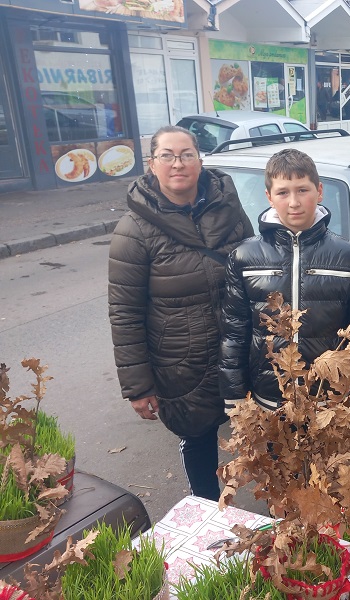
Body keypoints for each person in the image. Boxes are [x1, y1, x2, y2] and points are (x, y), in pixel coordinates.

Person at [108, 125, 254, 501]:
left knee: (258, 434)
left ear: (200, 161)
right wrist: (138, 386)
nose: (178, 163)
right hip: (181, 362)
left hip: (238, 353)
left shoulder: (231, 211)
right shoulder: (134, 231)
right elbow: (124, 313)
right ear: (152, 164)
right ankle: (205, 513)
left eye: (187, 154)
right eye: (168, 156)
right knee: (199, 438)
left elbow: (257, 275)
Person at [219, 149, 350, 425]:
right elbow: (234, 331)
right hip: (268, 402)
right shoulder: (244, 257)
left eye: (303, 190)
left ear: (319, 191)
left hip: (331, 403)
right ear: (268, 196)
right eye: (282, 192)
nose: (294, 202)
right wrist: (234, 399)